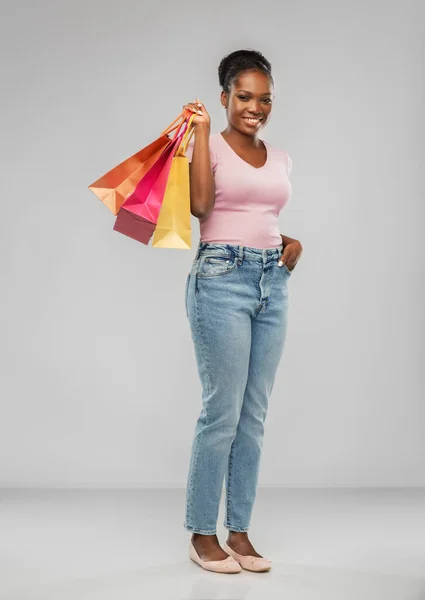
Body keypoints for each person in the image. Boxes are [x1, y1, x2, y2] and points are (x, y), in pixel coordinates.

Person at [182, 49, 303, 574]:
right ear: (225, 96)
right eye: (246, 96)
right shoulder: (205, 145)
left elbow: (260, 215)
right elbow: (203, 209)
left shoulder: (279, 156)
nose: (256, 107)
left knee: (253, 416)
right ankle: (202, 533)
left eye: (265, 98)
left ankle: (240, 531)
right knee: (222, 413)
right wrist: (203, 134)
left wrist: (289, 241)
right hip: (220, 280)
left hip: (271, 283)